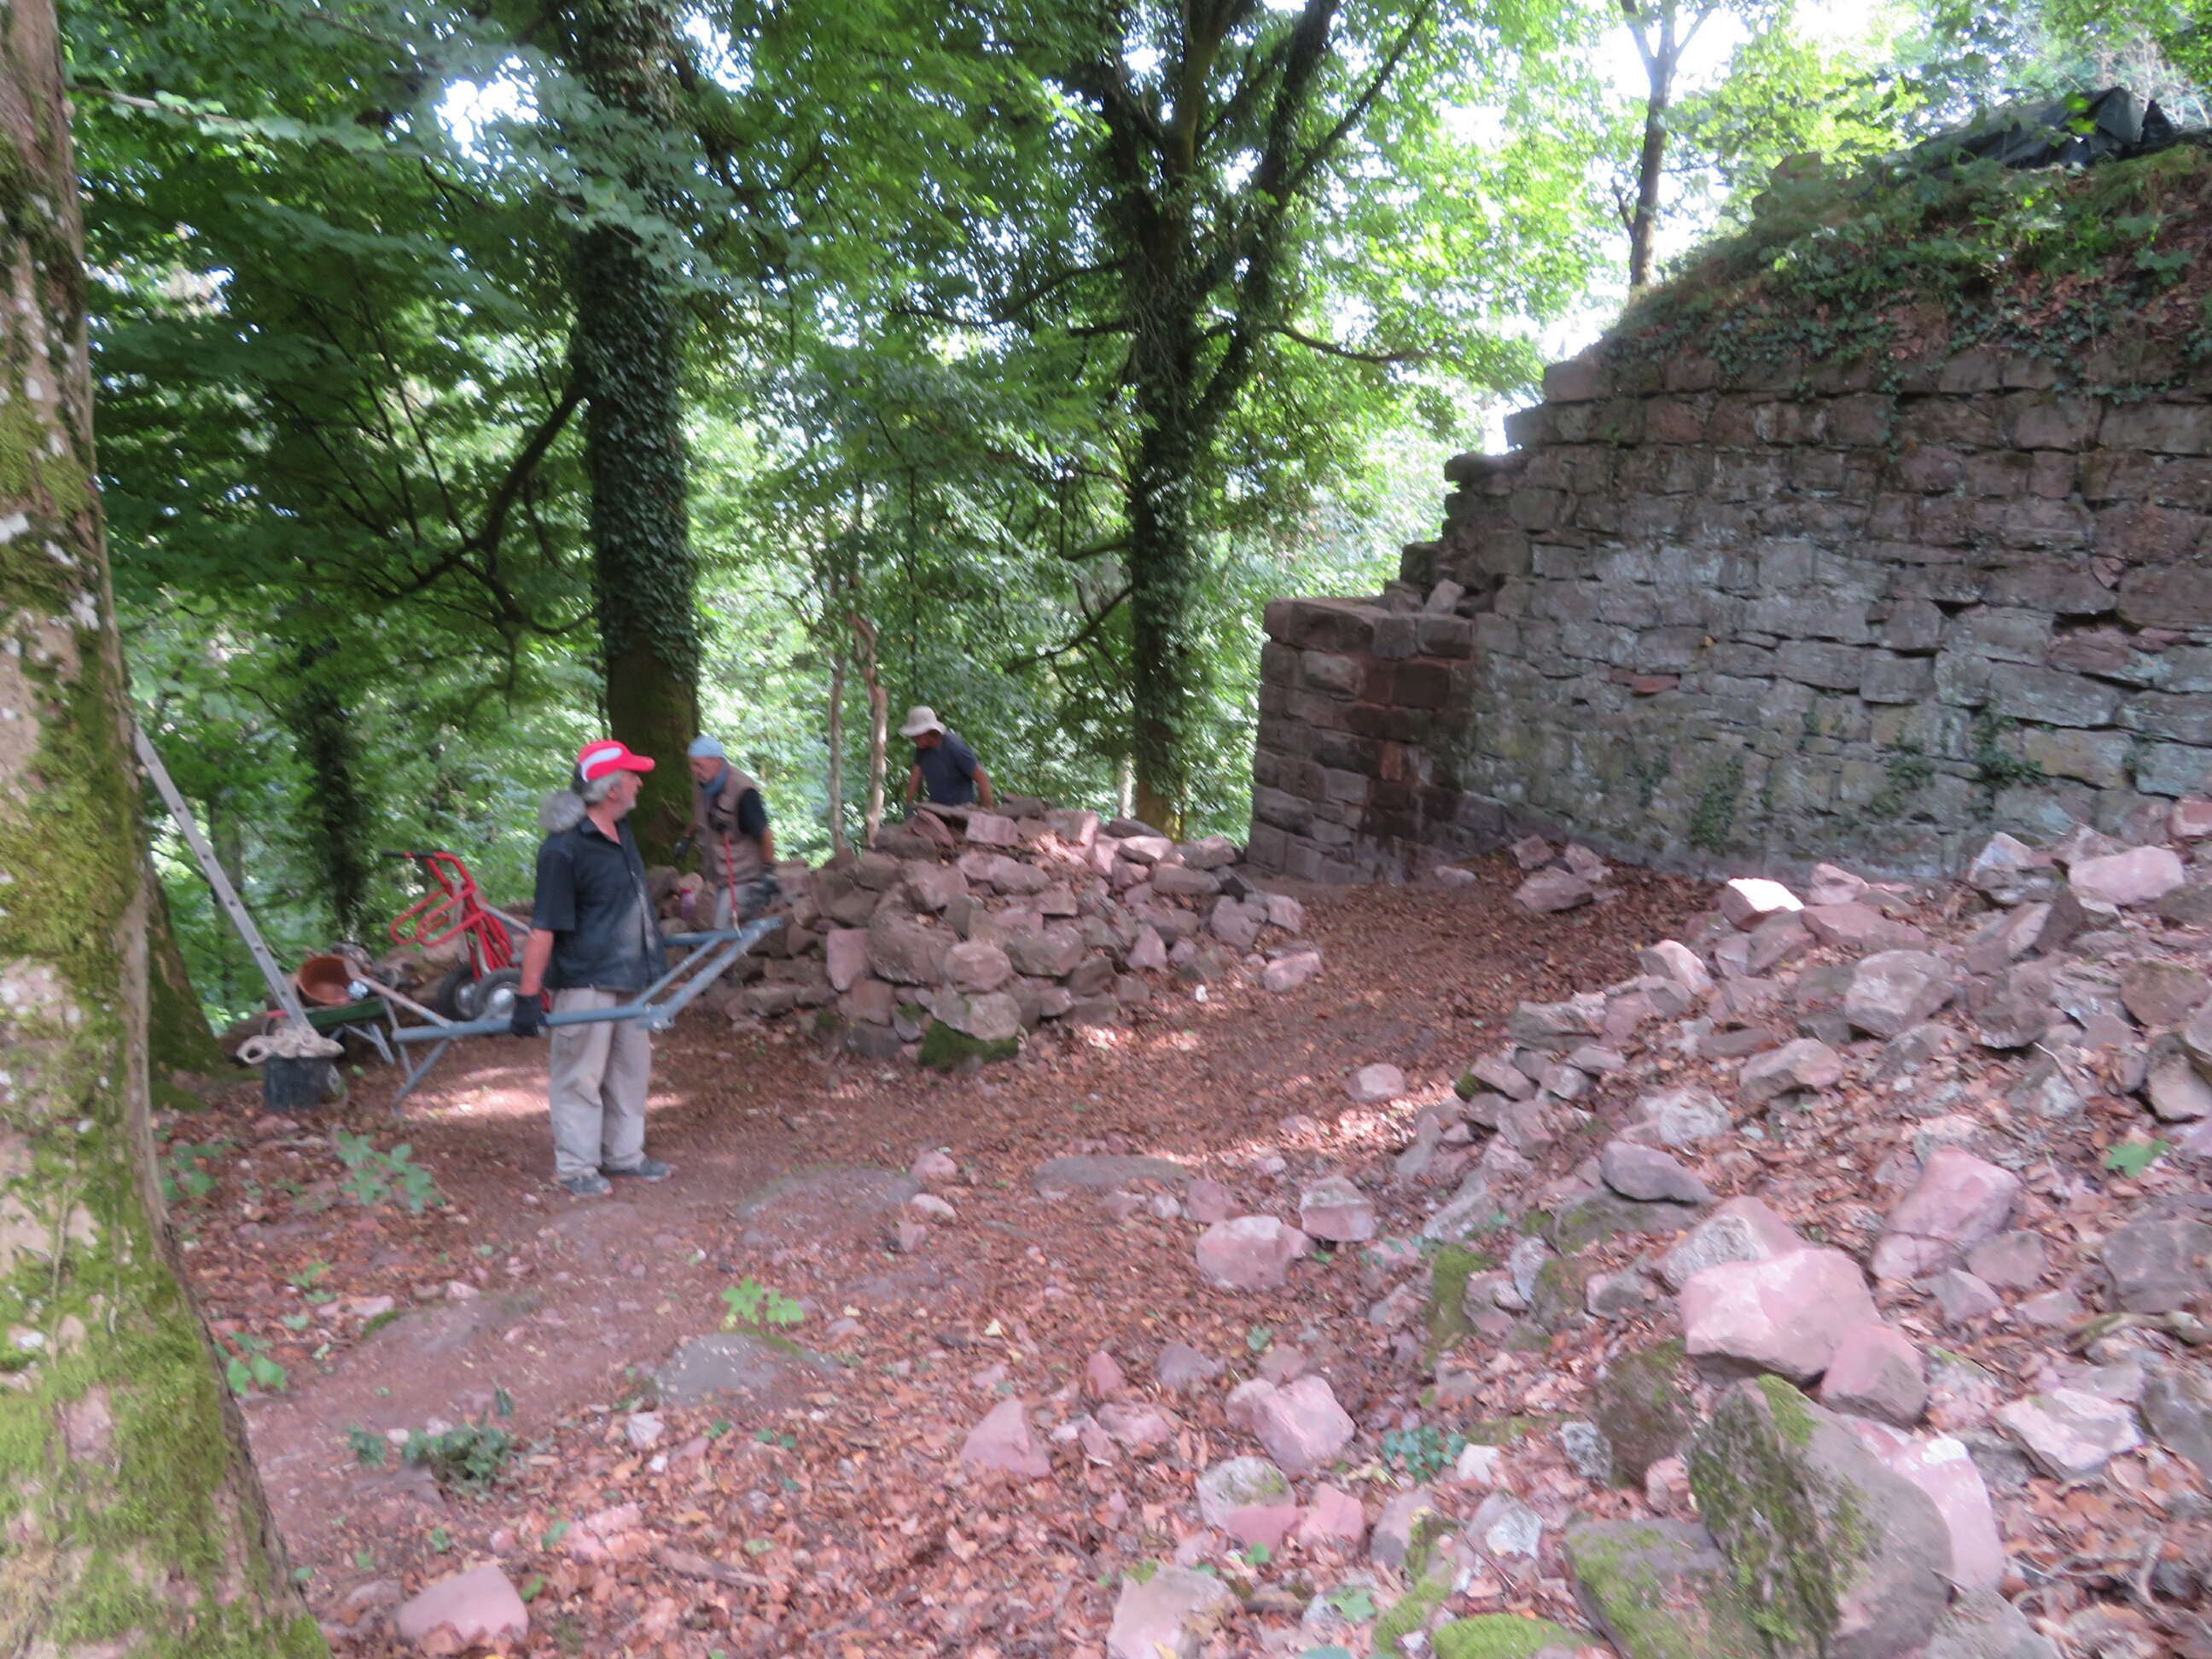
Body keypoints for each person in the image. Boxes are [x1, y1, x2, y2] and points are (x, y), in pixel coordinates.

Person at [511, 739, 673, 1197]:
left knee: (630, 1072)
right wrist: (527, 997)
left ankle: (624, 1156)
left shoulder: (622, 831)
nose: (639, 782)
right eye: (633, 775)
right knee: (580, 1078)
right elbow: (544, 927)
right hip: (586, 982)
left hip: (631, 978)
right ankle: (577, 1167)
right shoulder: (563, 850)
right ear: (610, 789)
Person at [678, 736, 776, 928]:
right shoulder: (702, 785)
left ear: (715, 761)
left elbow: (765, 833)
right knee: (722, 926)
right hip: (719, 877)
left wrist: (769, 872)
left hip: (744, 877)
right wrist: (686, 837)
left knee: (723, 928)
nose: (693, 770)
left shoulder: (743, 791)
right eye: (692, 764)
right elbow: (702, 816)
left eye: (698, 764)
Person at [900, 705, 996, 811]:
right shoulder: (922, 748)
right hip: (938, 811)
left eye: (916, 735)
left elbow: (982, 777)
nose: (913, 738)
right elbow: (916, 775)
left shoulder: (955, 746)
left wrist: (986, 809)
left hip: (962, 811)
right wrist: (908, 803)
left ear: (929, 731)